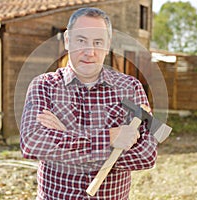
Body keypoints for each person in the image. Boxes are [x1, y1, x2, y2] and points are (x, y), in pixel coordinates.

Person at [20, 7, 158, 200]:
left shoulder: (130, 88)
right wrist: (109, 139)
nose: (90, 51)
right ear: (68, 40)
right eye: (81, 40)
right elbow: (32, 143)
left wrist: (65, 138)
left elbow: (147, 155)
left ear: (108, 44)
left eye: (98, 42)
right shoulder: (44, 86)